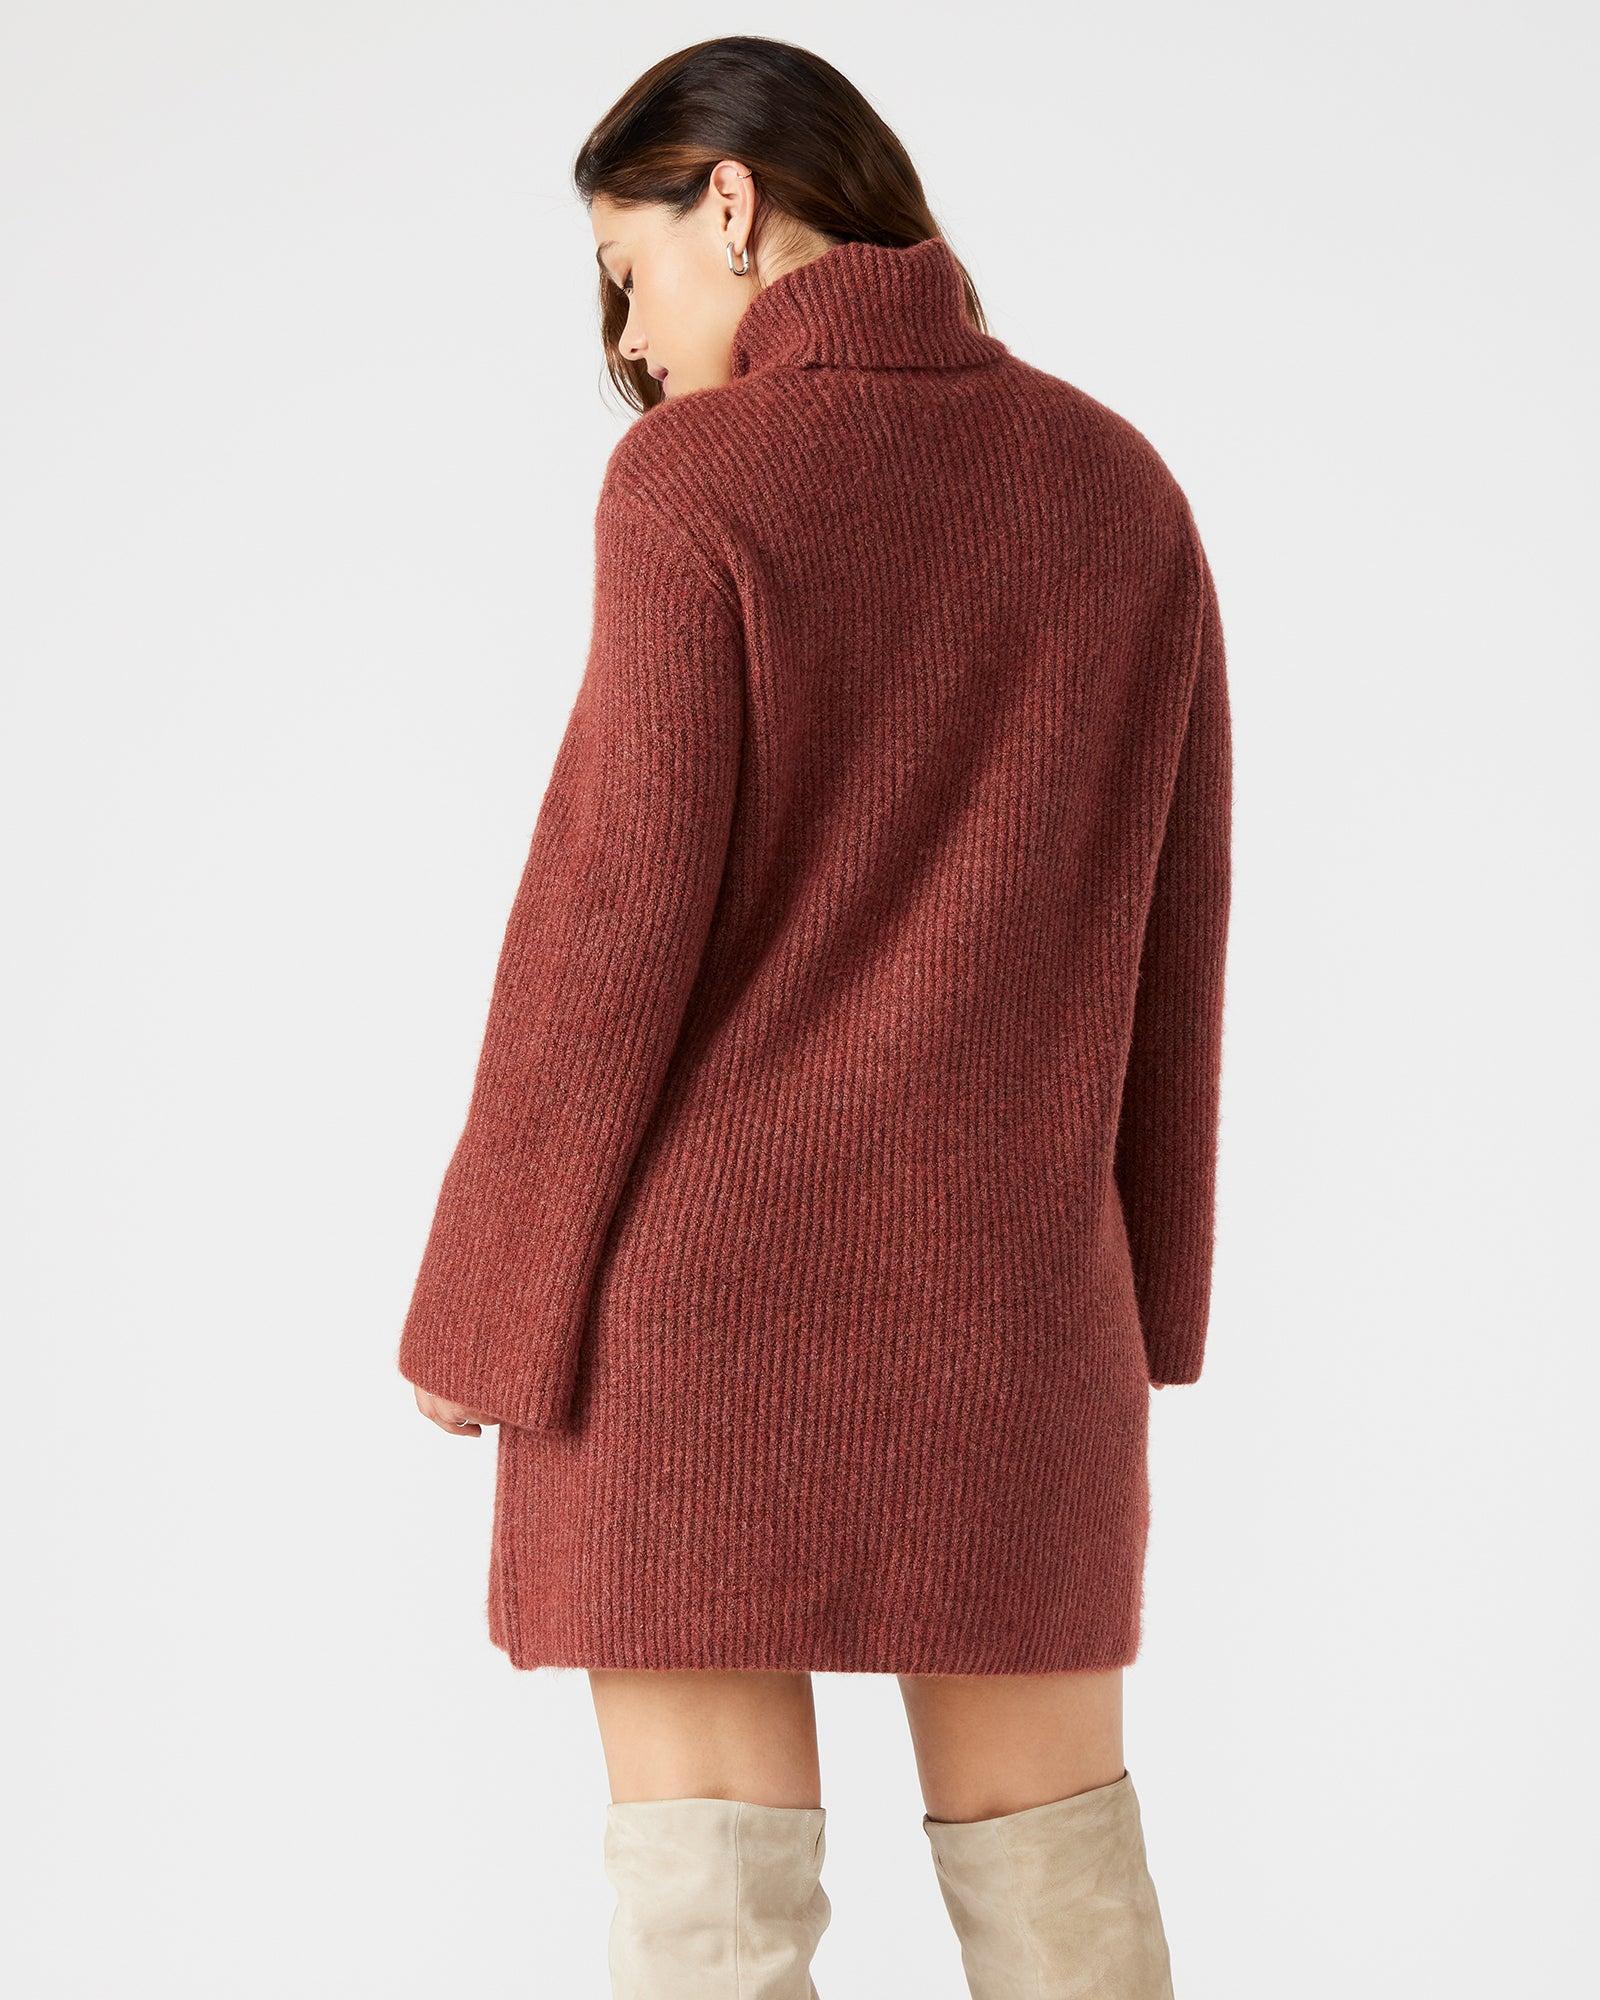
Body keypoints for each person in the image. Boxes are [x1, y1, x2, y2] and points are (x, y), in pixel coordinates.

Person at [397, 33, 1232, 2000]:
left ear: (731, 200)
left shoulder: (694, 484)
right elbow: (1169, 937)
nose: (629, 338)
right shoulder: (1117, 487)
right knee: (1065, 1908)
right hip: (1014, 1313)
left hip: (695, 1321)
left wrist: (481, 1310)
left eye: (627, 273)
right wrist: (1141, 1301)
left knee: (713, 1922)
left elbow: (605, 934)